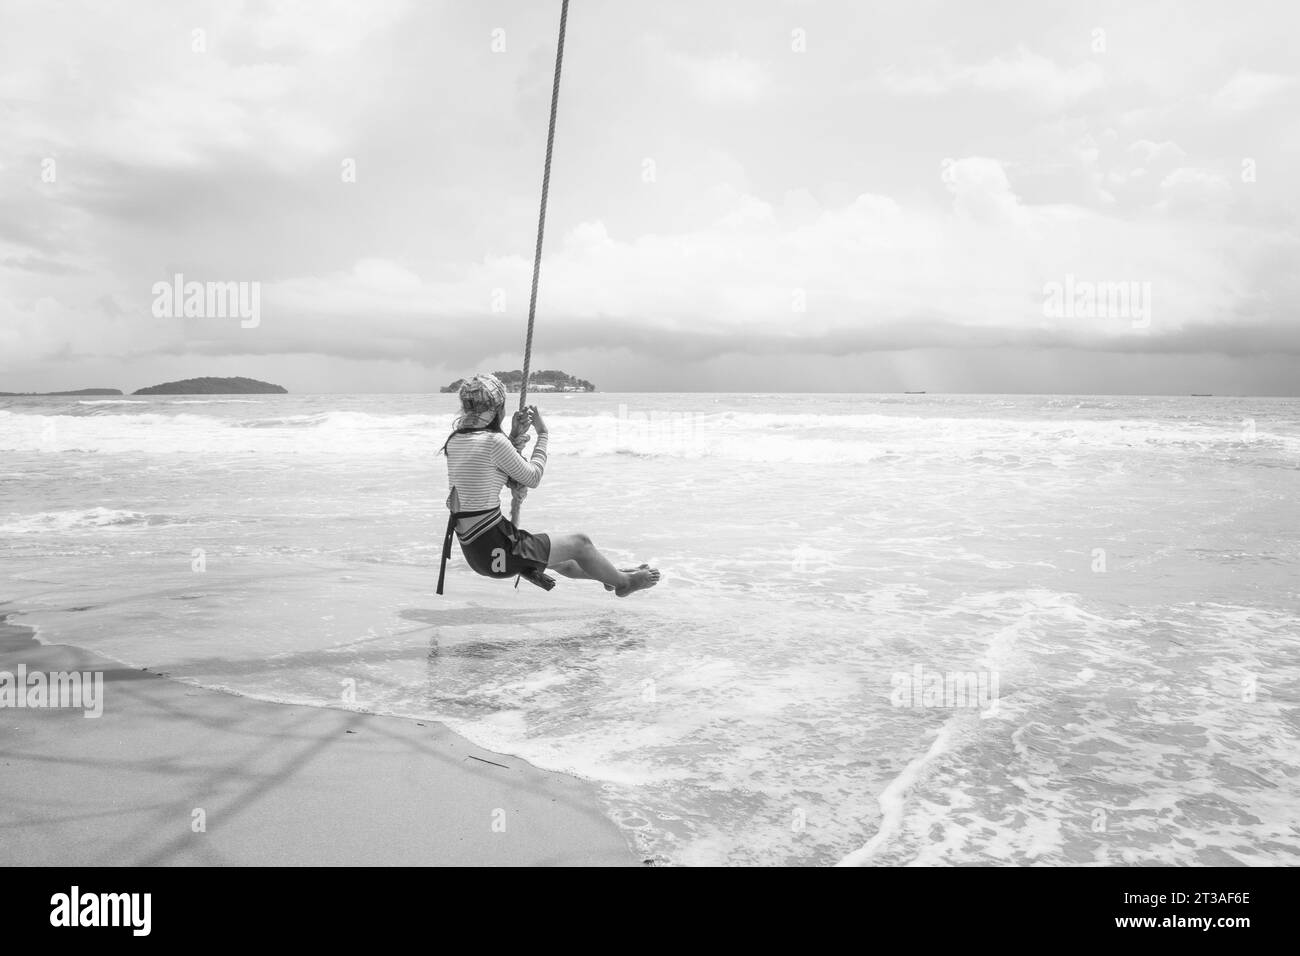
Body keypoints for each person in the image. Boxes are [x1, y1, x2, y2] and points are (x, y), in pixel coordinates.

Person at [437, 372, 660, 597]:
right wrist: (543, 434)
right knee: (580, 543)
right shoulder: (494, 442)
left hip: (477, 551)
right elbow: (532, 477)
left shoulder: (455, 440)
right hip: (499, 549)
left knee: (564, 560)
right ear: (499, 407)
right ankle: (624, 583)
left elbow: (490, 471)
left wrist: (513, 436)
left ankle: (610, 574)